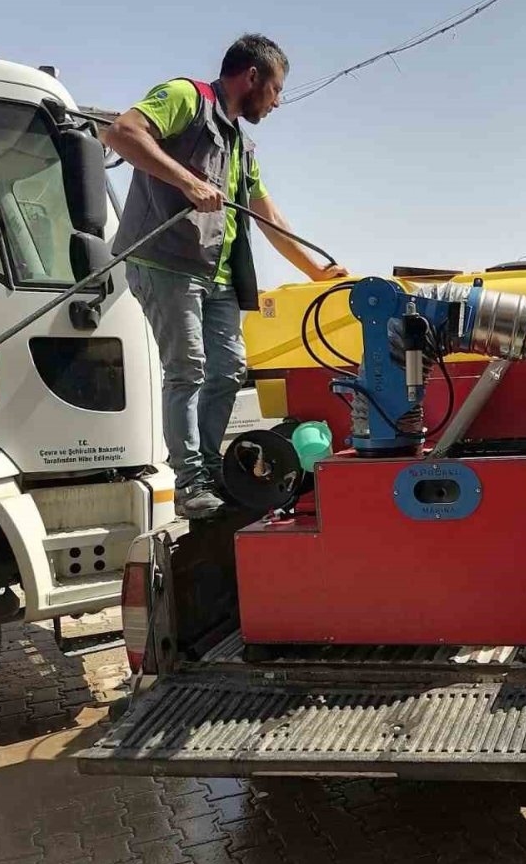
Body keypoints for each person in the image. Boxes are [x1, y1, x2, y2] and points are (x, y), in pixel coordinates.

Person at [105, 34, 346, 518]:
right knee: (188, 367)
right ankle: (191, 481)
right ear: (252, 77)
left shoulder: (241, 144)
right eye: (276, 89)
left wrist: (318, 271)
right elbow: (122, 133)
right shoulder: (186, 98)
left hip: (219, 275)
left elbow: (267, 216)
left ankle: (212, 469)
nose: (277, 101)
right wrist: (188, 181)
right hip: (167, 263)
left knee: (230, 369)